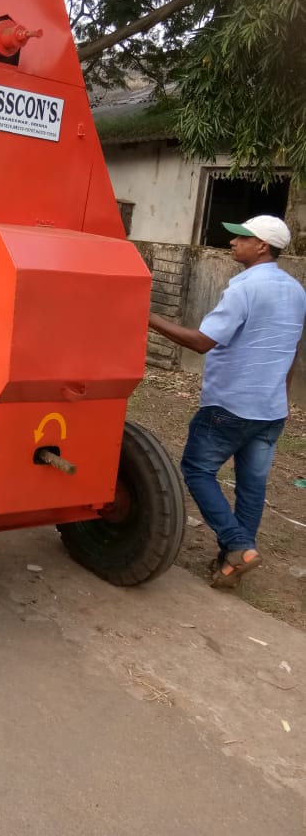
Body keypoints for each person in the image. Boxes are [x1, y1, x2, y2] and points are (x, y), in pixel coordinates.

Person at [148, 215, 306, 589]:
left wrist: (147, 317)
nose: (232, 242)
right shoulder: (296, 291)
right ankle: (232, 563)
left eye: (241, 238)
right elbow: (291, 350)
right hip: (270, 409)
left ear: (262, 246)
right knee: (252, 486)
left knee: (197, 470)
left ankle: (237, 545)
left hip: (230, 406)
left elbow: (202, 342)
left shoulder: (244, 288)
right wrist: (281, 398)